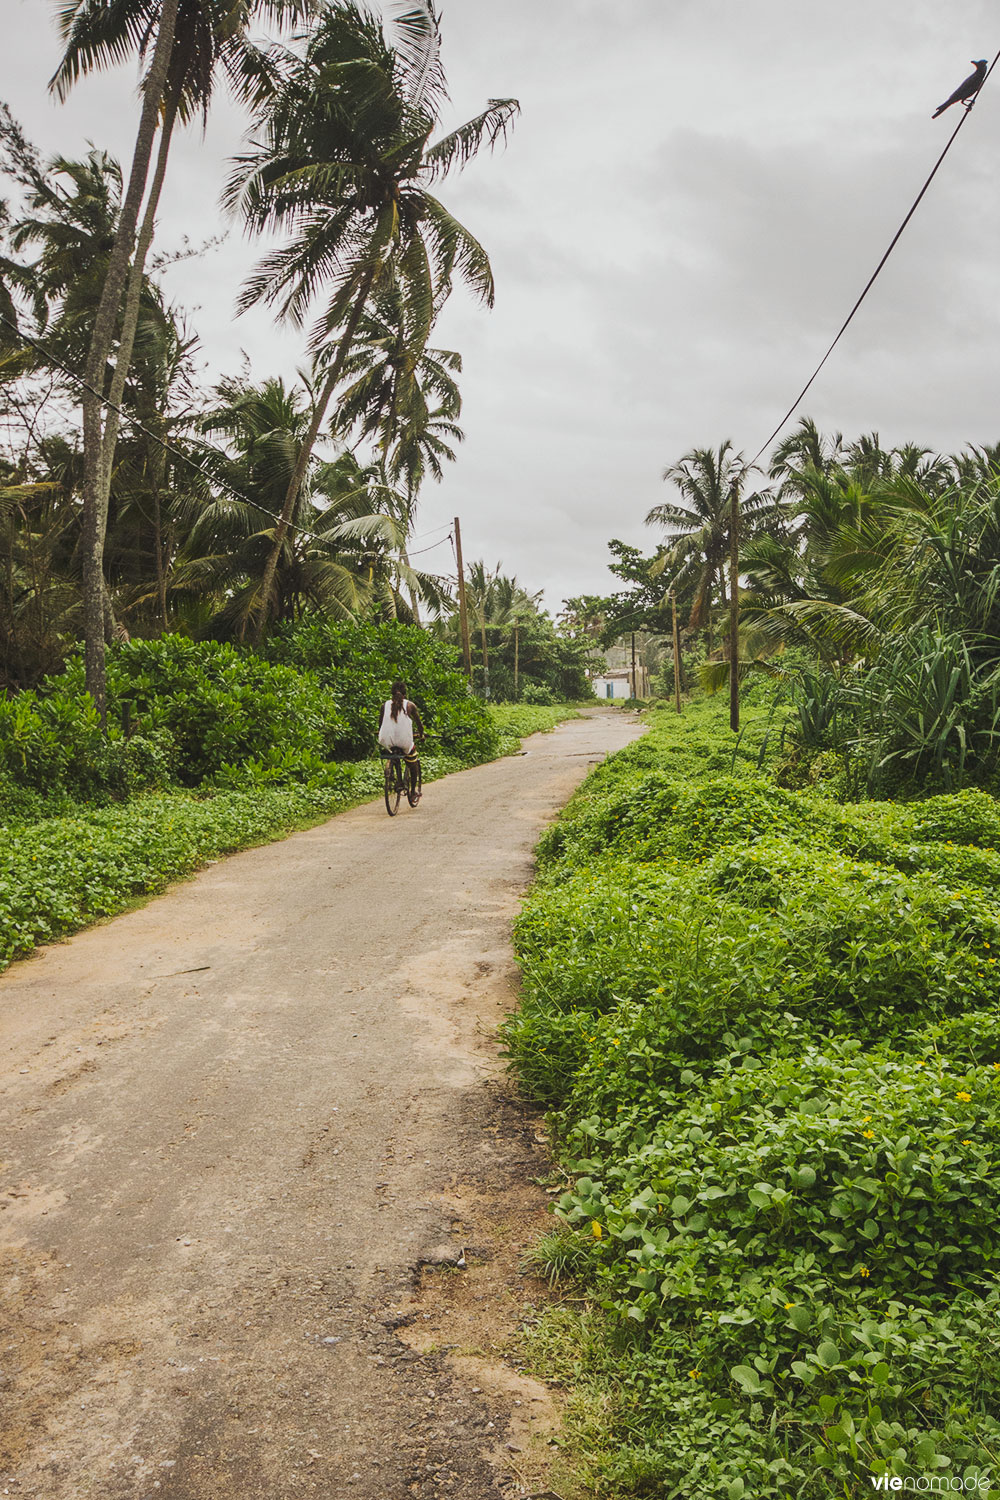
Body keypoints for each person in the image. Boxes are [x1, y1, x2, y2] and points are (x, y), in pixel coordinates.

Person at [378, 679, 424, 781]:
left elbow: (380, 725)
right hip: (404, 742)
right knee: (413, 763)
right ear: (404, 694)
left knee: (390, 750)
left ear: (392, 694)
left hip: (386, 740)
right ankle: (412, 792)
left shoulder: (384, 705)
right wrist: (421, 735)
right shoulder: (410, 705)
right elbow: (419, 725)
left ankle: (392, 772)